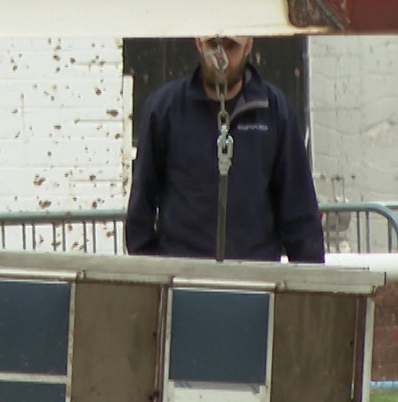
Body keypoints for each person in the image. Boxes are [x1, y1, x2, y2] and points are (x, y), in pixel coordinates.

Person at [125, 36, 325, 264]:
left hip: (256, 276)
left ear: (248, 45)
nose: (221, 58)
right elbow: (142, 202)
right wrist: (151, 272)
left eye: (232, 46)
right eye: (213, 45)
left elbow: (298, 208)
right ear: (199, 44)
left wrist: (309, 284)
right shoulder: (164, 110)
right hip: (183, 276)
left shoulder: (275, 112)